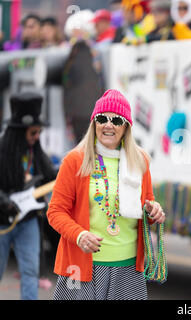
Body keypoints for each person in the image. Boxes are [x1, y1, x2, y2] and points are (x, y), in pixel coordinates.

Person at [47, 89, 166, 300]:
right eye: (102, 118)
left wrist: (154, 211)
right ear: (94, 123)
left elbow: (147, 208)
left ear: (126, 127)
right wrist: (79, 235)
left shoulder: (140, 161)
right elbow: (55, 211)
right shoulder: (75, 160)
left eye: (116, 120)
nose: (108, 125)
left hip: (128, 267)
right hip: (82, 265)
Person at [0, 92, 57, 300]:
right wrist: (3, 201)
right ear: (20, 131)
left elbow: (51, 176)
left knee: (31, 273)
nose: (36, 137)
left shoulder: (36, 153)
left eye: (39, 132)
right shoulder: (2, 150)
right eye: (33, 132)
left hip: (28, 221)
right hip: (2, 222)